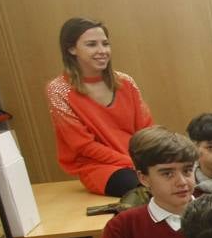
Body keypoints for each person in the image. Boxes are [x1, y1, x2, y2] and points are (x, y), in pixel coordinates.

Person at [46, 17, 153, 195]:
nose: (102, 51)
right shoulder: (58, 90)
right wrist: (132, 163)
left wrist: (154, 158)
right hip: (101, 168)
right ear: (71, 49)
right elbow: (84, 146)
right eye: (91, 45)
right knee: (149, 188)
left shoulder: (126, 82)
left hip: (140, 161)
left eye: (105, 44)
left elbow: (146, 129)